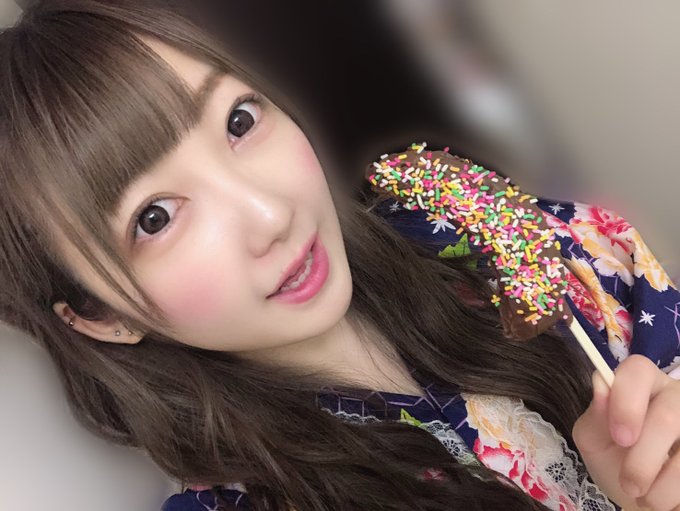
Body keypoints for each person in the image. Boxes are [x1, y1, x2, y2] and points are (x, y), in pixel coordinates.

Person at [1, 1, 680, 510]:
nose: (271, 215)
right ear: (100, 316)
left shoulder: (480, 233)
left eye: (240, 121)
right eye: (155, 218)